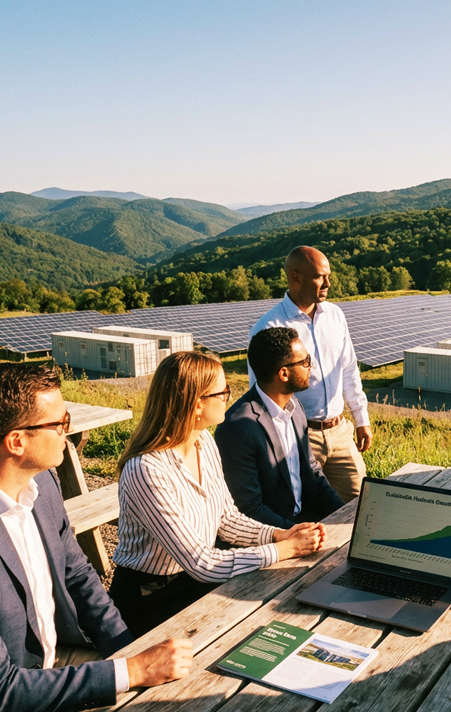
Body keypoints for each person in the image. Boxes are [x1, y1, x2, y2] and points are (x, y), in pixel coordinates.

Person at [0, 363, 192, 712]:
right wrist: (132, 670)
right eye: (59, 423)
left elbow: (78, 573)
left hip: (49, 663)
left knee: (182, 698)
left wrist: (127, 649)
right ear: (16, 441)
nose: (68, 432)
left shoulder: (40, 479)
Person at [110, 351, 326, 636]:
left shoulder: (204, 443)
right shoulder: (147, 469)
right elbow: (201, 563)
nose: (228, 396)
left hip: (192, 582)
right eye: (222, 391)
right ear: (196, 404)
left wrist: (278, 534)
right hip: (149, 598)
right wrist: (283, 550)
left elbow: (227, 519)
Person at [247, 246, 372, 503]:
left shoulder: (335, 316)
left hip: (339, 432)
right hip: (298, 437)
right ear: (295, 277)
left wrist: (361, 418)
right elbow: (262, 396)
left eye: (328, 275)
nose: (328, 282)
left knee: (360, 503)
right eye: (319, 277)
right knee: (304, 507)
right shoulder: (270, 328)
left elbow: (348, 368)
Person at [216, 327, 344, 528]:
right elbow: (249, 508)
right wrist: (295, 534)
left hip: (306, 524)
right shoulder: (237, 427)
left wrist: (344, 514)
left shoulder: (296, 407)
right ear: (283, 373)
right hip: (274, 538)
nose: (311, 366)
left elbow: (312, 471)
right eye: (305, 362)